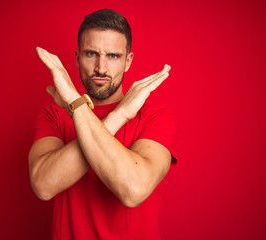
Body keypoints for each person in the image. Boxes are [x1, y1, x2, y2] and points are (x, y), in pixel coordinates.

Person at [29, 9, 177, 239]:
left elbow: (133, 190)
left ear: (128, 61)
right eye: (91, 54)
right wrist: (117, 116)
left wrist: (76, 105)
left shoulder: (155, 117)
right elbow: (44, 186)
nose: (100, 68)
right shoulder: (53, 115)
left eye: (113, 56)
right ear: (77, 57)